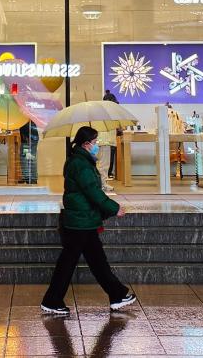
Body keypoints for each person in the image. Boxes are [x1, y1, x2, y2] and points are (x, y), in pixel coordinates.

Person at [40, 126, 137, 316]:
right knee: (70, 263)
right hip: (80, 221)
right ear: (86, 144)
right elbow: (93, 192)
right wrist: (113, 208)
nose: (97, 145)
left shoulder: (82, 161)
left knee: (96, 261)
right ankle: (52, 300)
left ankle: (116, 294)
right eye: (95, 142)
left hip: (83, 220)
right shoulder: (80, 164)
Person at [102, 91, 120, 180]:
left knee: (105, 163)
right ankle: (103, 182)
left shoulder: (110, 112)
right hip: (105, 140)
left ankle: (104, 181)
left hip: (108, 140)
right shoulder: (107, 112)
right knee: (104, 164)